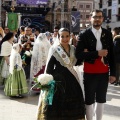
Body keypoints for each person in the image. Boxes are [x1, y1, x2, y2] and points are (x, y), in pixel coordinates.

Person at [75, 9, 116, 120]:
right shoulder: (84, 34)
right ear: (90, 18)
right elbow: (78, 54)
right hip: (89, 72)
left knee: (101, 99)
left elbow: (112, 55)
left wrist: (113, 74)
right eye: (95, 17)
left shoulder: (107, 34)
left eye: (99, 17)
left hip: (104, 72)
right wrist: (97, 53)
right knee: (89, 100)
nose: (97, 19)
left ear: (102, 18)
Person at [37, 28, 85, 120]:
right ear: (58, 37)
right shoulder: (55, 49)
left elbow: (76, 63)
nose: (65, 39)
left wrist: (83, 56)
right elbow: (49, 67)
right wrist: (47, 82)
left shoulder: (73, 48)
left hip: (72, 80)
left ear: (70, 36)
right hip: (58, 80)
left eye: (67, 36)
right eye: (62, 36)